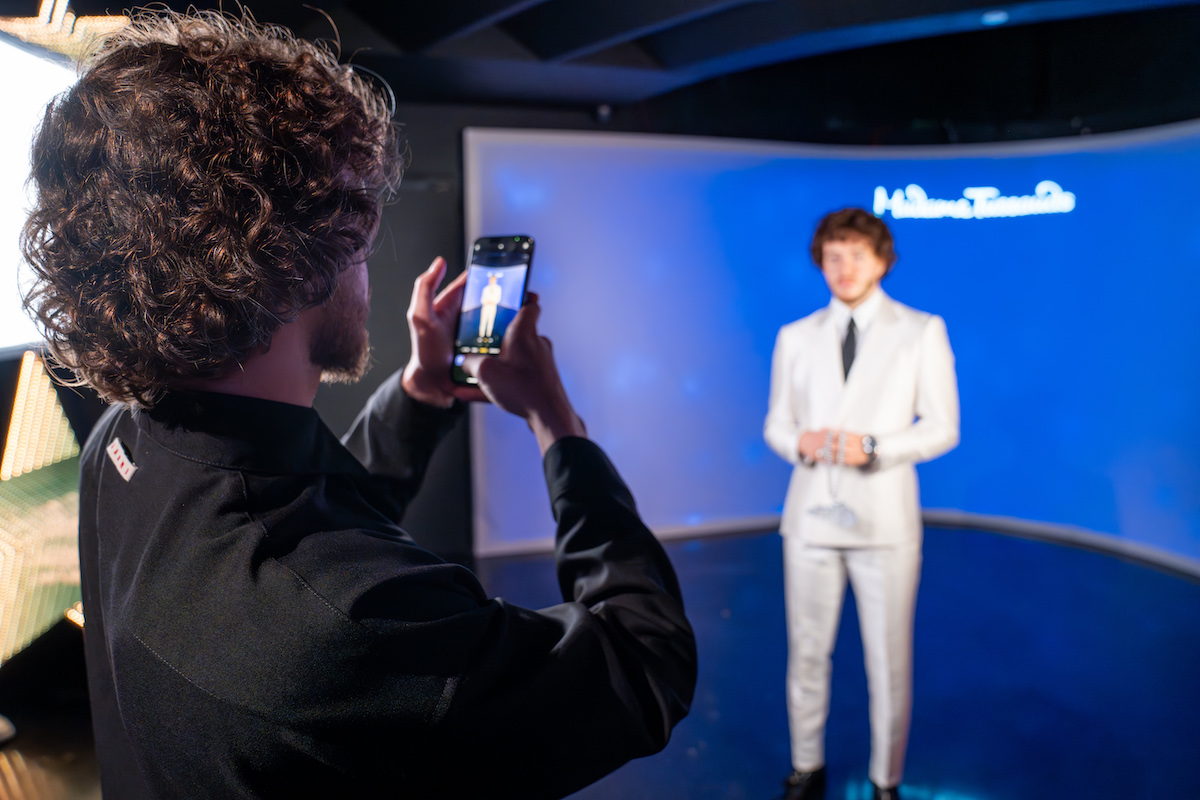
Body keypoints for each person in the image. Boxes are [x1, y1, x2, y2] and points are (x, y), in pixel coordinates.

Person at [21, 10, 696, 799]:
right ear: (294, 265)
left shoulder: (126, 442)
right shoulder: (348, 630)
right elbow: (642, 663)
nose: (367, 258)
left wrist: (422, 390)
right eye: (359, 236)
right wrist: (559, 425)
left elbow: (319, 523)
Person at [764, 209, 959, 800]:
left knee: (888, 664)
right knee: (806, 654)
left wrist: (874, 446)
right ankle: (806, 768)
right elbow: (776, 422)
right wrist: (796, 442)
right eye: (832, 255)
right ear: (819, 261)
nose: (844, 268)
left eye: (857, 254)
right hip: (811, 519)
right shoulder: (796, 337)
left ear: (883, 259)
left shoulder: (920, 329)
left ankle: (885, 782)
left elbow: (943, 428)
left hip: (884, 523)